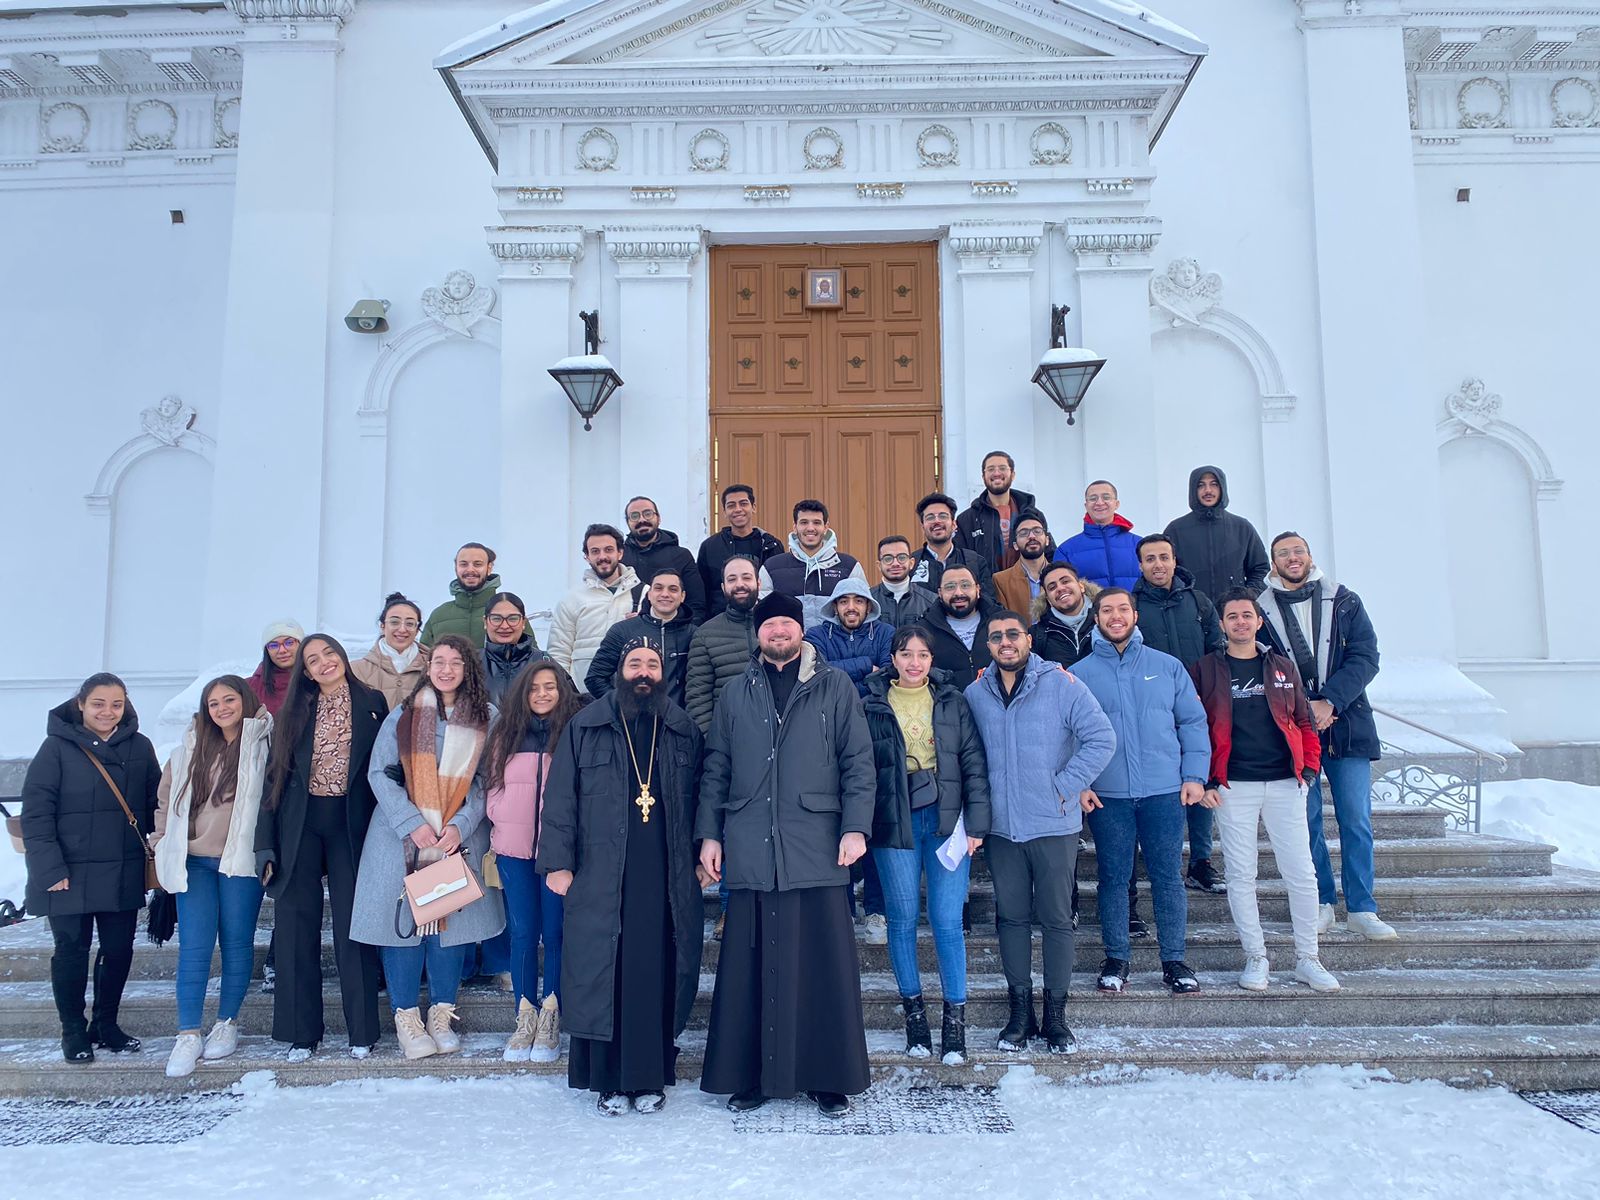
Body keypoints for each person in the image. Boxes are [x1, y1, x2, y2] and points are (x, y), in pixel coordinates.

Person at [698, 592, 875, 1117]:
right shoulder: (736, 691)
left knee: (823, 967)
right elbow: (717, 768)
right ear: (758, 634)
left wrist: (855, 828)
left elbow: (858, 764)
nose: (778, 631)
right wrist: (710, 834)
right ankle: (750, 1076)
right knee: (748, 968)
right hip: (751, 842)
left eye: (786, 623)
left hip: (815, 845)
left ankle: (827, 1076)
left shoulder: (835, 685)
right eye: (769, 624)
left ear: (801, 630)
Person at [539, 641, 706, 1115]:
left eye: (652, 664)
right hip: (600, 872)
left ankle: (649, 1076)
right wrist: (558, 862)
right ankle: (608, 1080)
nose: (644, 672)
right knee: (602, 972)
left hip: (665, 874)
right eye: (635, 664)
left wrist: (702, 854)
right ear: (620, 672)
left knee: (654, 970)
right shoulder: (585, 725)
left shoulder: (680, 727)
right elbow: (560, 799)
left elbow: (701, 797)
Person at [965, 614, 1116, 1052]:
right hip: (1001, 829)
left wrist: (1065, 786)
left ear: (1029, 640)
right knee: (1011, 919)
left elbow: (1101, 738)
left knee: (1054, 919)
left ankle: (1055, 1017)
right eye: (996, 636)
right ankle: (1020, 1014)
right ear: (988, 645)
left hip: (1053, 824)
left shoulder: (1061, 685)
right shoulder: (977, 693)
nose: (1005, 642)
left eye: (1013, 634)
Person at [350, 635, 505, 1058]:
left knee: (448, 927)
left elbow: (488, 780)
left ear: (468, 670)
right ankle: (406, 1017)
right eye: (439, 660)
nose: (446, 669)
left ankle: (441, 1011)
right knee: (402, 926)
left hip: (456, 838)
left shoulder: (487, 717)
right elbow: (380, 773)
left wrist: (460, 824)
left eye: (456, 662)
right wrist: (412, 823)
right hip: (400, 837)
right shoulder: (404, 714)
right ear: (428, 665)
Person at [1192, 589, 1339, 993]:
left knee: (1301, 872)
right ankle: (1256, 957)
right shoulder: (1205, 669)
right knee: (1242, 874)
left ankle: (1308, 958)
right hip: (1233, 785)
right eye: (1232, 616)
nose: (1240, 622)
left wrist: (1309, 770)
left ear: (1258, 621)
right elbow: (1193, 726)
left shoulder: (1281, 666)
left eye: (1247, 615)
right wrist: (1205, 779)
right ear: (1222, 624)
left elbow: (1304, 721)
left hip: (1284, 782)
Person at [255, 635, 386, 1061]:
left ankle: (362, 1031)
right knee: (295, 929)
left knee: (356, 928)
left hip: (352, 827)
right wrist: (264, 846)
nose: (324, 663)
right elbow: (272, 781)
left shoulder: (373, 701)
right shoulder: (292, 711)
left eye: (329, 653)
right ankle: (302, 1033)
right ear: (305, 672)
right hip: (300, 827)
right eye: (313, 660)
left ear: (341, 657)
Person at [864, 625, 991, 1062]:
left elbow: (973, 762)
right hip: (894, 819)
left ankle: (954, 1025)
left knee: (945, 918)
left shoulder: (953, 702)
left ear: (932, 660)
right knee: (901, 918)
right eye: (905, 654)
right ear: (893, 659)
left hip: (946, 818)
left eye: (922, 654)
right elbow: (860, 767)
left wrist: (976, 822)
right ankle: (915, 1019)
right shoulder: (872, 704)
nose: (914, 662)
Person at [1073, 590, 1209, 996]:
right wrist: (1080, 783)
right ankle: (1117, 958)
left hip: (1164, 790)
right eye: (1106, 611)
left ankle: (1175, 961)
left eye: (1122, 610)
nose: (1115, 617)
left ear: (1135, 615)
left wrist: (1194, 776)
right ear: (1095, 618)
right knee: (1114, 879)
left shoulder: (1166, 667)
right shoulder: (1078, 673)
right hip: (1107, 795)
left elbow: (1192, 723)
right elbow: (1067, 736)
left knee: (1167, 878)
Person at [1260, 532, 1395, 941]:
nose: (1292, 557)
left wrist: (1330, 702)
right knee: (1307, 821)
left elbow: (1366, 656)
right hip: (1294, 730)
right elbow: (1265, 667)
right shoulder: (1260, 610)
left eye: (1297, 550)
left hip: (1348, 724)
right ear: (1273, 562)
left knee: (1356, 819)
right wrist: (1303, 709)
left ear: (1309, 555)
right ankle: (1321, 902)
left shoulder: (1344, 600)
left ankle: (1362, 908)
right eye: (1283, 553)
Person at [21, 673, 160, 1064]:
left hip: (121, 868)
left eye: (116, 704)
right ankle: (73, 1031)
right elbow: (36, 814)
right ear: (81, 704)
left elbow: (155, 805)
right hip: (68, 872)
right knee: (70, 952)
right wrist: (50, 869)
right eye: (99, 703)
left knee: (118, 951)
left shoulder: (140, 746)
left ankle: (106, 1025)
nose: (107, 712)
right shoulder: (56, 749)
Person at [153, 676, 271, 1078]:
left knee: (237, 943)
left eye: (229, 700)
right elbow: (166, 799)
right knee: (195, 947)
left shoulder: (264, 744)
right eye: (214, 703)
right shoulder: (188, 748)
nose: (222, 708)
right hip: (194, 862)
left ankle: (227, 1022)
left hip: (239, 862)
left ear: (245, 700)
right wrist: (162, 840)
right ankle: (187, 1033)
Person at [483, 660, 585, 1062]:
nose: (542, 694)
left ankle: (551, 1013)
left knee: (556, 932)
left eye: (550, 687)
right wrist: (500, 816)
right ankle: (524, 1013)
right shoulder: (506, 732)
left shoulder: (574, 732)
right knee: (524, 932)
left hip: (558, 852)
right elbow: (490, 782)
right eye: (534, 688)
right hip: (513, 849)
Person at [1132, 533, 1226, 895]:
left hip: (1196, 708)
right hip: (1152, 711)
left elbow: (1216, 648)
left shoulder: (1198, 602)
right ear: (1140, 565)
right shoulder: (1134, 604)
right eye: (1150, 559)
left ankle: (1200, 861)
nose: (1158, 564)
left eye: (1164, 558)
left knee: (1198, 781)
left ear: (1174, 561)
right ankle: (1153, 860)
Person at [548, 523, 646, 690]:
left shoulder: (646, 594)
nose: (602, 556)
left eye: (608, 550)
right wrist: (567, 693)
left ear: (620, 553)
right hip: (583, 697)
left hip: (632, 694)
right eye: (595, 551)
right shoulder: (572, 599)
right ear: (586, 556)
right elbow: (559, 654)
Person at [586, 567, 697, 705]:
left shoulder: (695, 635)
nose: (665, 594)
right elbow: (595, 678)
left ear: (682, 596)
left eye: (673, 589)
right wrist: (621, 705)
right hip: (631, 720)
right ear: (649, 594)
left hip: (678, 721)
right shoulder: (622, 630)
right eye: (658, 588)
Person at [1162, 465, 1270, 602]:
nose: (1208, 490)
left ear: (1222, 488)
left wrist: (1248, 596)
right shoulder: (1176, 530)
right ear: (1193, 490)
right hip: (1191, 614)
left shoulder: (1242, 527)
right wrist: (1181, 600)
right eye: (1201, 485)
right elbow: (1165, 571)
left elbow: (1261, 568)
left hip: (1233, 613)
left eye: (1214, 484)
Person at [758, 499, 866, 629]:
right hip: (790, 647)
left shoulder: (849, 566)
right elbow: (762, 615)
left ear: (826, 527)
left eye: (816, 522)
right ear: (795, 527)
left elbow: (862, 612)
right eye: (804, 522)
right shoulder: (772, 567)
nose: (810, 528)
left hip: (836, 648)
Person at [685, 555, 761, 735]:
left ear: (758, 582)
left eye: (746, 577)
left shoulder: (778, 628)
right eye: (732, 579)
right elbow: (698, 700)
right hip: (728, 738)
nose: (740, 584)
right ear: (723, 587)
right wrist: (711, 744)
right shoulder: (705, 635)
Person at [697, 484, 783, 619]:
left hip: (762, 620)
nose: (738, 509)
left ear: (753, 507)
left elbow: (779, 590)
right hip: (721, 622)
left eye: (743, 503)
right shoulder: (710, 547)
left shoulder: (771, 545)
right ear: (724, 512)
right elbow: (702, 592)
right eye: (731, 505)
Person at [804, 577, 894, 699]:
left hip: (874, 710)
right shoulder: (817, 636)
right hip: (831, 712)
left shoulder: (885, 633)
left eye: (859, 601)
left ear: (868, 607)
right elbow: (818, 675)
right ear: (835, 607)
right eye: (844, 602)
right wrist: (865, 665)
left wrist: (842, 691)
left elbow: (887, 677)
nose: (851, 607)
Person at [622, 497, 707, 624]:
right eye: (634, 516)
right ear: (628, 522)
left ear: (658, 518)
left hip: (673, 632)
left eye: (647, 514)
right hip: (627, 632)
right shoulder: (620, 557)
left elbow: (696, 604)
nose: (642, 520)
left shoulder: (681, 556)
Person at [956, 449, 1039, 574]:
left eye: (1002, 468)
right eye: (990, 469)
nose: (996, 473)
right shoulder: (967, 520)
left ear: (1013, 474)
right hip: (985, 589)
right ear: (983, 476)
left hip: (1027, 588)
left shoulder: (1032, 514)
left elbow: (1047, 552)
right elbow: (961, 560)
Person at [919, 565, 998, 689]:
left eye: (965, 585)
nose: (958, 593)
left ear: (977, 589)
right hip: (948, 704)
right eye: (950, 587)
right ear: (940, 593)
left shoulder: (1000, 622)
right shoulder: (923, 631)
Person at [349, 593, 430, 710]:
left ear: (417, 630)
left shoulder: (432, 668)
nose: (402, 629)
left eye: (410, 624)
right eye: (394, 622)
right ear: (382, 626)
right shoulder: (358, 670)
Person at [1054, 480, 1140, 590]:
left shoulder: (1139, 545)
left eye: (1106, 497)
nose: (1099, 503)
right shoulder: (1066, 550)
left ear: (1116, 504)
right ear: (1086, 505)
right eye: (1093, 498)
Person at [909, 492, 995, 601]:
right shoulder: (911, 564)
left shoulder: (975, 562)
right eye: (930, 517)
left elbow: (989, 604)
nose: (937, 521)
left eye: (943, 516)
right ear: (923, 527)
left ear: (954, 525)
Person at [420, 542, 502, 649]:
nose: (470, 570)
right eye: (463, 564)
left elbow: (529, 658)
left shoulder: (508, 612)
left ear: (489, 568)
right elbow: (424, 659)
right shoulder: (439, 616)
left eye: (478, 564)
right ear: (456, 568)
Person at [480, 591, 547, 707]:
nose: (505, 626)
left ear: (523, 622)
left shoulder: (543, 661)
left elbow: (570, 706)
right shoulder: (472, 663)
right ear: (485, 622)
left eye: (513, 618)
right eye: (496, 619)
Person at [1029, 561, 1098, 668]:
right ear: (1048, 600)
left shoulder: (1105, 622)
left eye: (1065, 581)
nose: (1060, 588)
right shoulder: (1036, 636)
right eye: (1052, 587)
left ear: (1081, 586)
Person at [871, 534, 939, 630]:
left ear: (911, 563)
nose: (895, 563)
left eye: (902, 557)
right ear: (879, 565)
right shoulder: (868, 601)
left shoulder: (931, 601)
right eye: (888, 559)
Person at [992, 510, 1052, 615]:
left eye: (1037, 531)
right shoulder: (1001, 580)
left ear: (1047, 540)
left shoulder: (1059, 576)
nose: (1031, 536)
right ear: (1015, 545)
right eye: (1024, 533)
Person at [247, 619, 303, 716]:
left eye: (289, 642)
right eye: (273, 645)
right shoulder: (250, 687)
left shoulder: (318, 679)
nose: (282, 650)